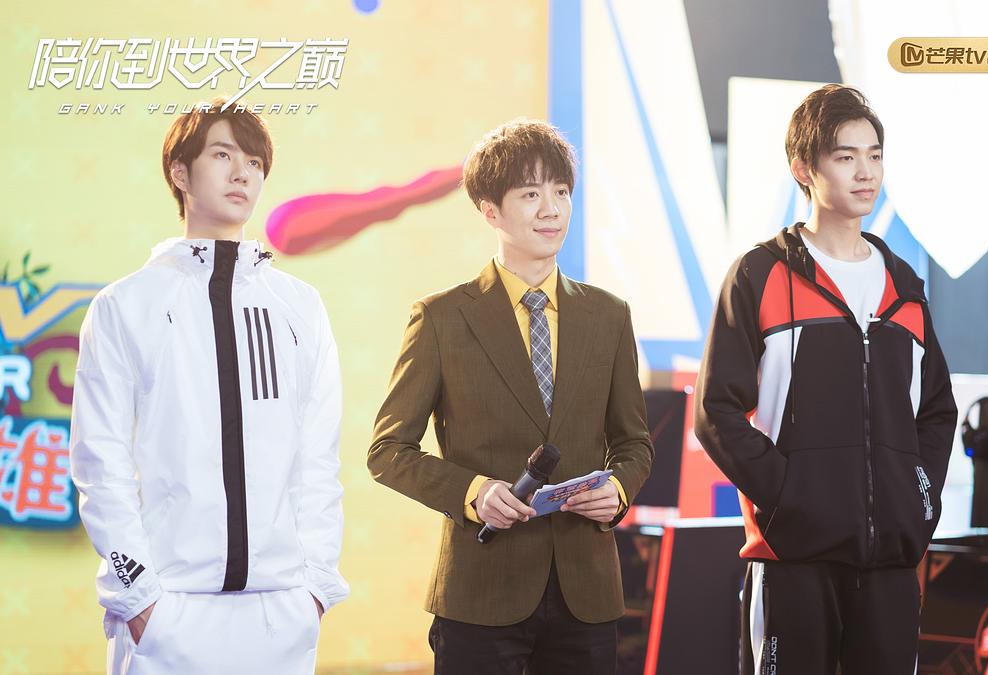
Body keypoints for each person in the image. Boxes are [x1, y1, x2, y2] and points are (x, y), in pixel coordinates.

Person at [70, 96, 348, 675]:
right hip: (168, 613)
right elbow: (100, 463)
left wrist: (315, 588)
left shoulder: (300, 306)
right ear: (180, 173)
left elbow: (318, 460)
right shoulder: (127, 304)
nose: (242, 172)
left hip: (281, 615)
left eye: (254, 161)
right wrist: (137, 596)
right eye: (223, 155)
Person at [368, 119, 653, 674]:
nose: (551, 210)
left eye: (561, 192)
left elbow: (634, 442)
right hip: (480, 589)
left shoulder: (609, 315)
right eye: (530, 194)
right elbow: (387, 451)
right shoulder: (442, 317)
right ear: (490, 210)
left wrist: (618, 488)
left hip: (586, 592)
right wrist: (473, 492)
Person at [694, 84, 957, 674]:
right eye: (846, 157)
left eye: (874, 155)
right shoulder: (760, 275)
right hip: (794, 560)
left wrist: (917, 498)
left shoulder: (904, 287)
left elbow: (937, 411)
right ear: (803, 169)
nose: (866, 173)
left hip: (890, 564)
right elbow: (716, 412)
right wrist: (790, 498)